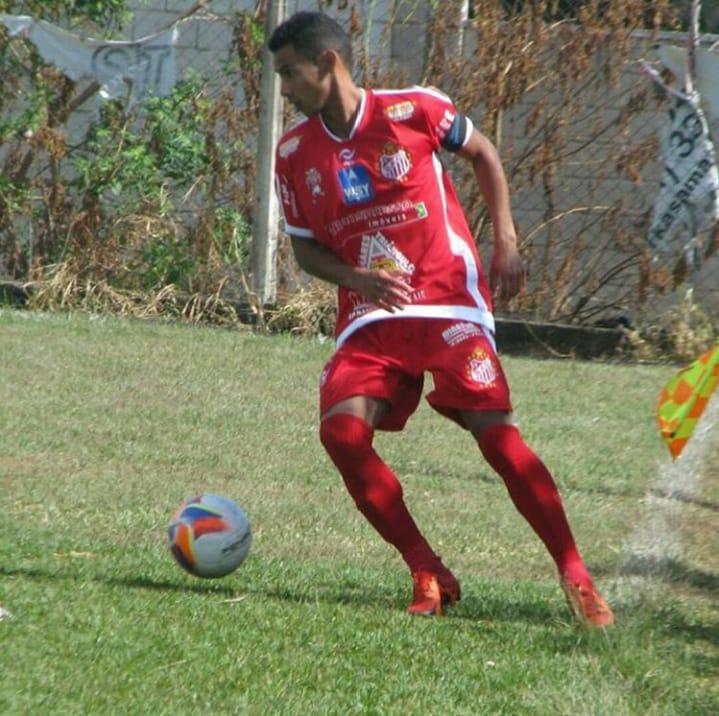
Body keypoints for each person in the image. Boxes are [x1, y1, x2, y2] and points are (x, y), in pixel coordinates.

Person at [269, 11, 614, 628]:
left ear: (328, 64)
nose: (285, 88)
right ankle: (428, 569)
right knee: (341, 435)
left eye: (290, 73)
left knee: (497, 437)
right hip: (370, 316)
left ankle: (575, 573)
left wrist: (505, 237)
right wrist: (357, 280)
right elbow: (302, 249)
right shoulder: (293, 152)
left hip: (448, 300)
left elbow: (482, 153)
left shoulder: (415, 109)